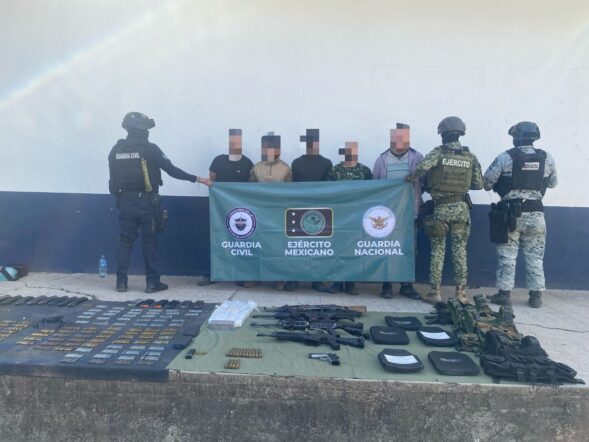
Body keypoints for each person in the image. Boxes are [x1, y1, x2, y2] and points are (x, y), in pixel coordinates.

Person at [108, 111, 210, 293]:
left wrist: (122, 200)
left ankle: (121, 283)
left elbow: (113, 182)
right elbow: (171, 170)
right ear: (140, 130)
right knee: (150, 243)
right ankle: (152, 283)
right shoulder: (150, 149)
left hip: (125, 203)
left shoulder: (116, 150)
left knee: (125, 243)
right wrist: (198, 179)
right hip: (147, 204)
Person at [405, 116, 483, 305]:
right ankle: (461, 294)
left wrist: (408, 179)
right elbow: (478, 184)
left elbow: (421, 168)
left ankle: (435, 292)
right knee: (460, 252)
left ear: (442, 135)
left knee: (437, 251)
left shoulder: (439, 153)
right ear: (460, 133)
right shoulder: (470, 156)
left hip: (441, 209)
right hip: (462, 210)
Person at [483, 121, 557, 308]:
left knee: (507, 256)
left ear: (515, 138)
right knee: (535, 256)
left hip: (511, 215)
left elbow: (487, 183)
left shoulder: (505, 157)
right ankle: (536, 296)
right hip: (536, 214)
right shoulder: (547, 158)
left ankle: (504, 294)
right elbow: (553, 183)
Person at [372, 123, 424, 300]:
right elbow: (375, 186)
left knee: (409, 249)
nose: (400, 141)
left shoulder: (417, 158)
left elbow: (423, 183)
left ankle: (406, 285)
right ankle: (386, 284)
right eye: (397, 137)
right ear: (392, 139)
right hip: (387, 215)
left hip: (410, 213)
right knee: (387, 249)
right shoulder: (382, 160)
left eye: (404, 137)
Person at [197, 129, 253, 286]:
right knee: (216, 240)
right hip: (219, 210)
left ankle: (241, 274)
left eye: (238, 141)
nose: (235, 144)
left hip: (240, 211)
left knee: (241, 243)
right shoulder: (218, 161)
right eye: (232, 141)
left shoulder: (247, 163)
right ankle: (212, 274)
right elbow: (213, 182)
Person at [286, 129, 333, 292]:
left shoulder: (327, 163)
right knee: (297, 246)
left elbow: (330, 187)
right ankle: (294, 278)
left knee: (317, 247)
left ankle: (317, 280)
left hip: (321, 211)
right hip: (299, 208)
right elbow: (292, 186)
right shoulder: (296, 163)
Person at [327, 142, 372, 295]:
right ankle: (338, 282)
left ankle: (351, 283)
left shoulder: (364, 171)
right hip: (339, 216)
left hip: (357, 216)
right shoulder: (334, 170)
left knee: (354, 249)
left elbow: (372, 191)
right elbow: (328, 191)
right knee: (338, 248)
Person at [249, 133, 291, 290]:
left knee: (278, 247)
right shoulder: (255, 168)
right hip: (259, 213)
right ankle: (255, 276)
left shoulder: (286, 168)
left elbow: (291, 191)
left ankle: (279, 279)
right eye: (267, 147)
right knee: (257, 245)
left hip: (279, 214)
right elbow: (248, 190)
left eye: (274, 147)